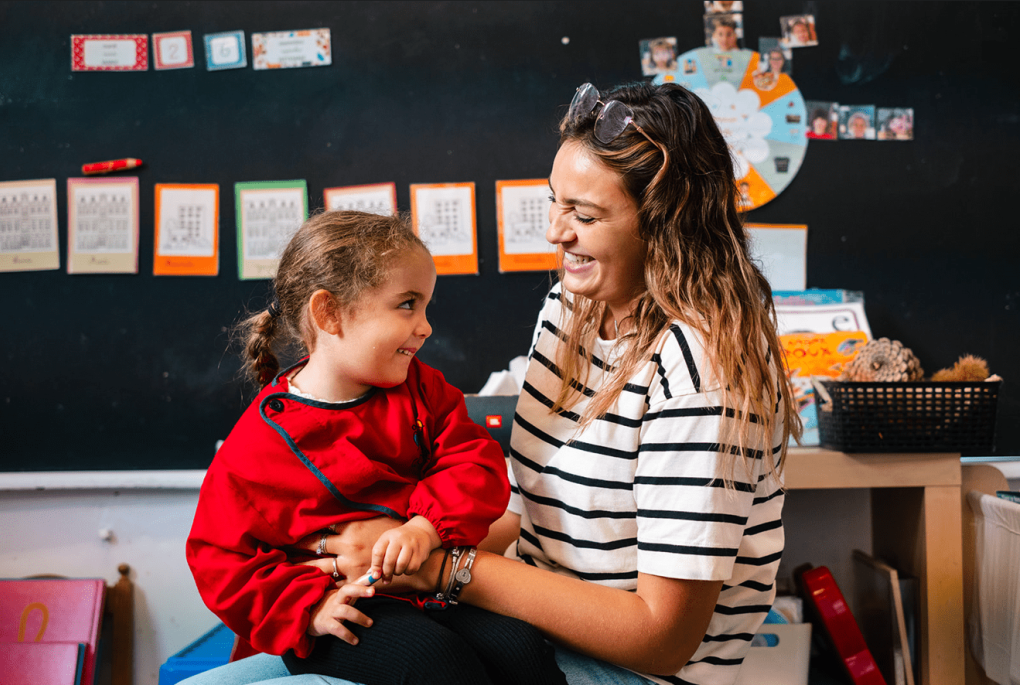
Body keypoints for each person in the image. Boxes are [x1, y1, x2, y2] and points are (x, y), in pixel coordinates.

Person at [182, 81, 800, 685]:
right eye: (555, 202)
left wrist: (435, 564)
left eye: (584, 215)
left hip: (628, 666)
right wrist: (395, 549)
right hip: (519, 616)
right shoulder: (572, 309)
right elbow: (533, 510)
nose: (556, 231)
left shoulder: (699, 371)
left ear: (666, 224)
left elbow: (661, 641)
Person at [185, 210, 566, 685]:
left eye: (425, 307)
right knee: (433, 661)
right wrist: (310, 608)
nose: (426, 327)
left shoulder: (423, 388)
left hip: (425, 589)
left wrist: (425, 528)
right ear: (329, 314)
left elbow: (474, 462)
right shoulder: (258, 443)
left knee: (522, 649)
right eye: (407, 305)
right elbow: (219, 557)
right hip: (340, 610)